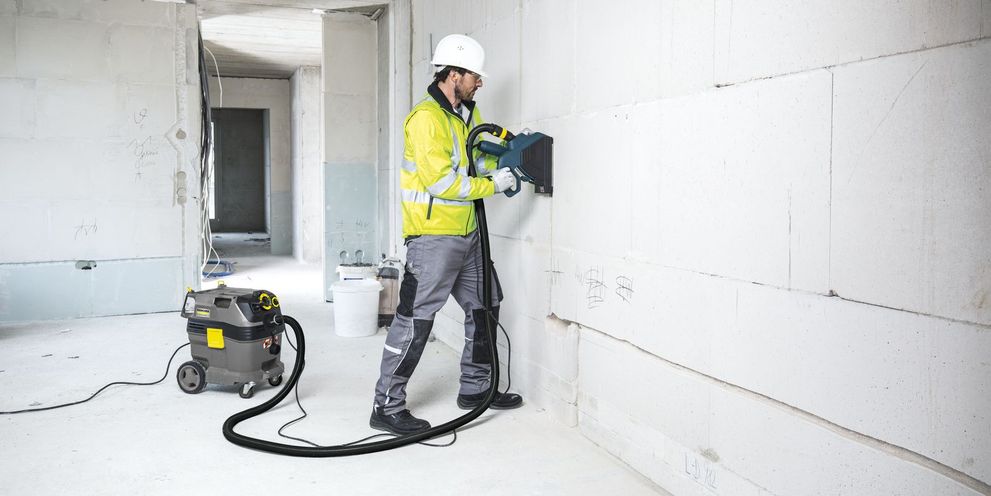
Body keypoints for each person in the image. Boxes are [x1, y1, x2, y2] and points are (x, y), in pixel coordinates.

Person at [370, 34, 522, 435]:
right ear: (453, 74)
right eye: (474, 75)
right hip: (434, 239)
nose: (479, 83)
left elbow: (472, 158)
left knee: (486, 305)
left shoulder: (462, 116)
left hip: (468, 236)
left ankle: (475, 389)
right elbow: (441, 182)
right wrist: (493, 184)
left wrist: (508, 154)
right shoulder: (426, 120)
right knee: (416, 320)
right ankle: (386, 405)